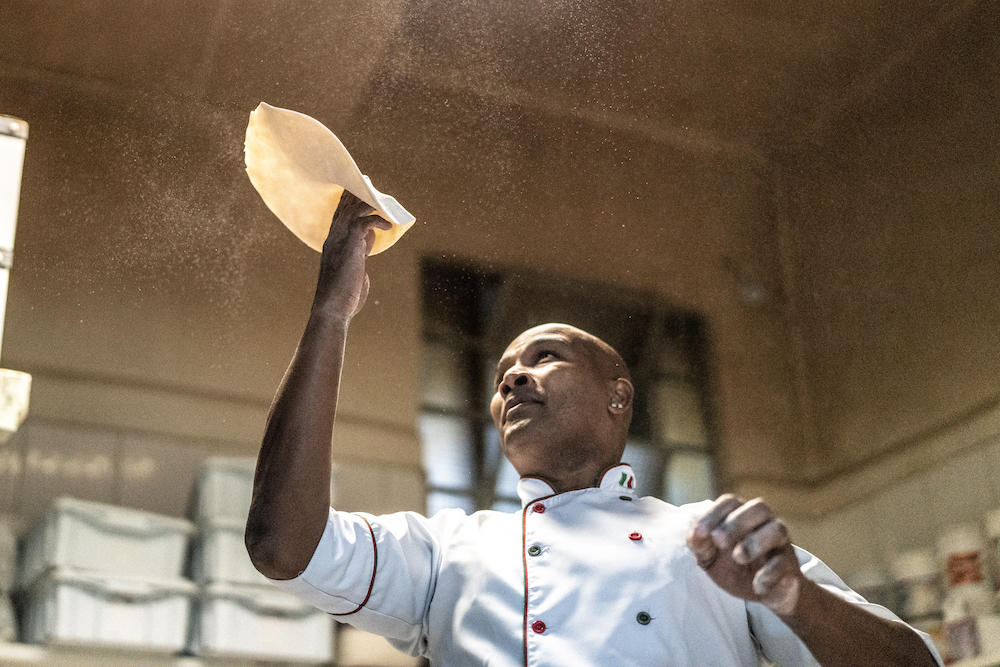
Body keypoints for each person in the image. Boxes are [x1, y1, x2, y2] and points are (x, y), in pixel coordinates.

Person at [245, 194, 943, 666]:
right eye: (501, 375)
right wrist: (330, 315)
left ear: (620, 398)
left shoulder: (709, 539)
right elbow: (283, 545)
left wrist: (793, 595)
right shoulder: (446, 550)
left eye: (544, 357)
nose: (513, 378)